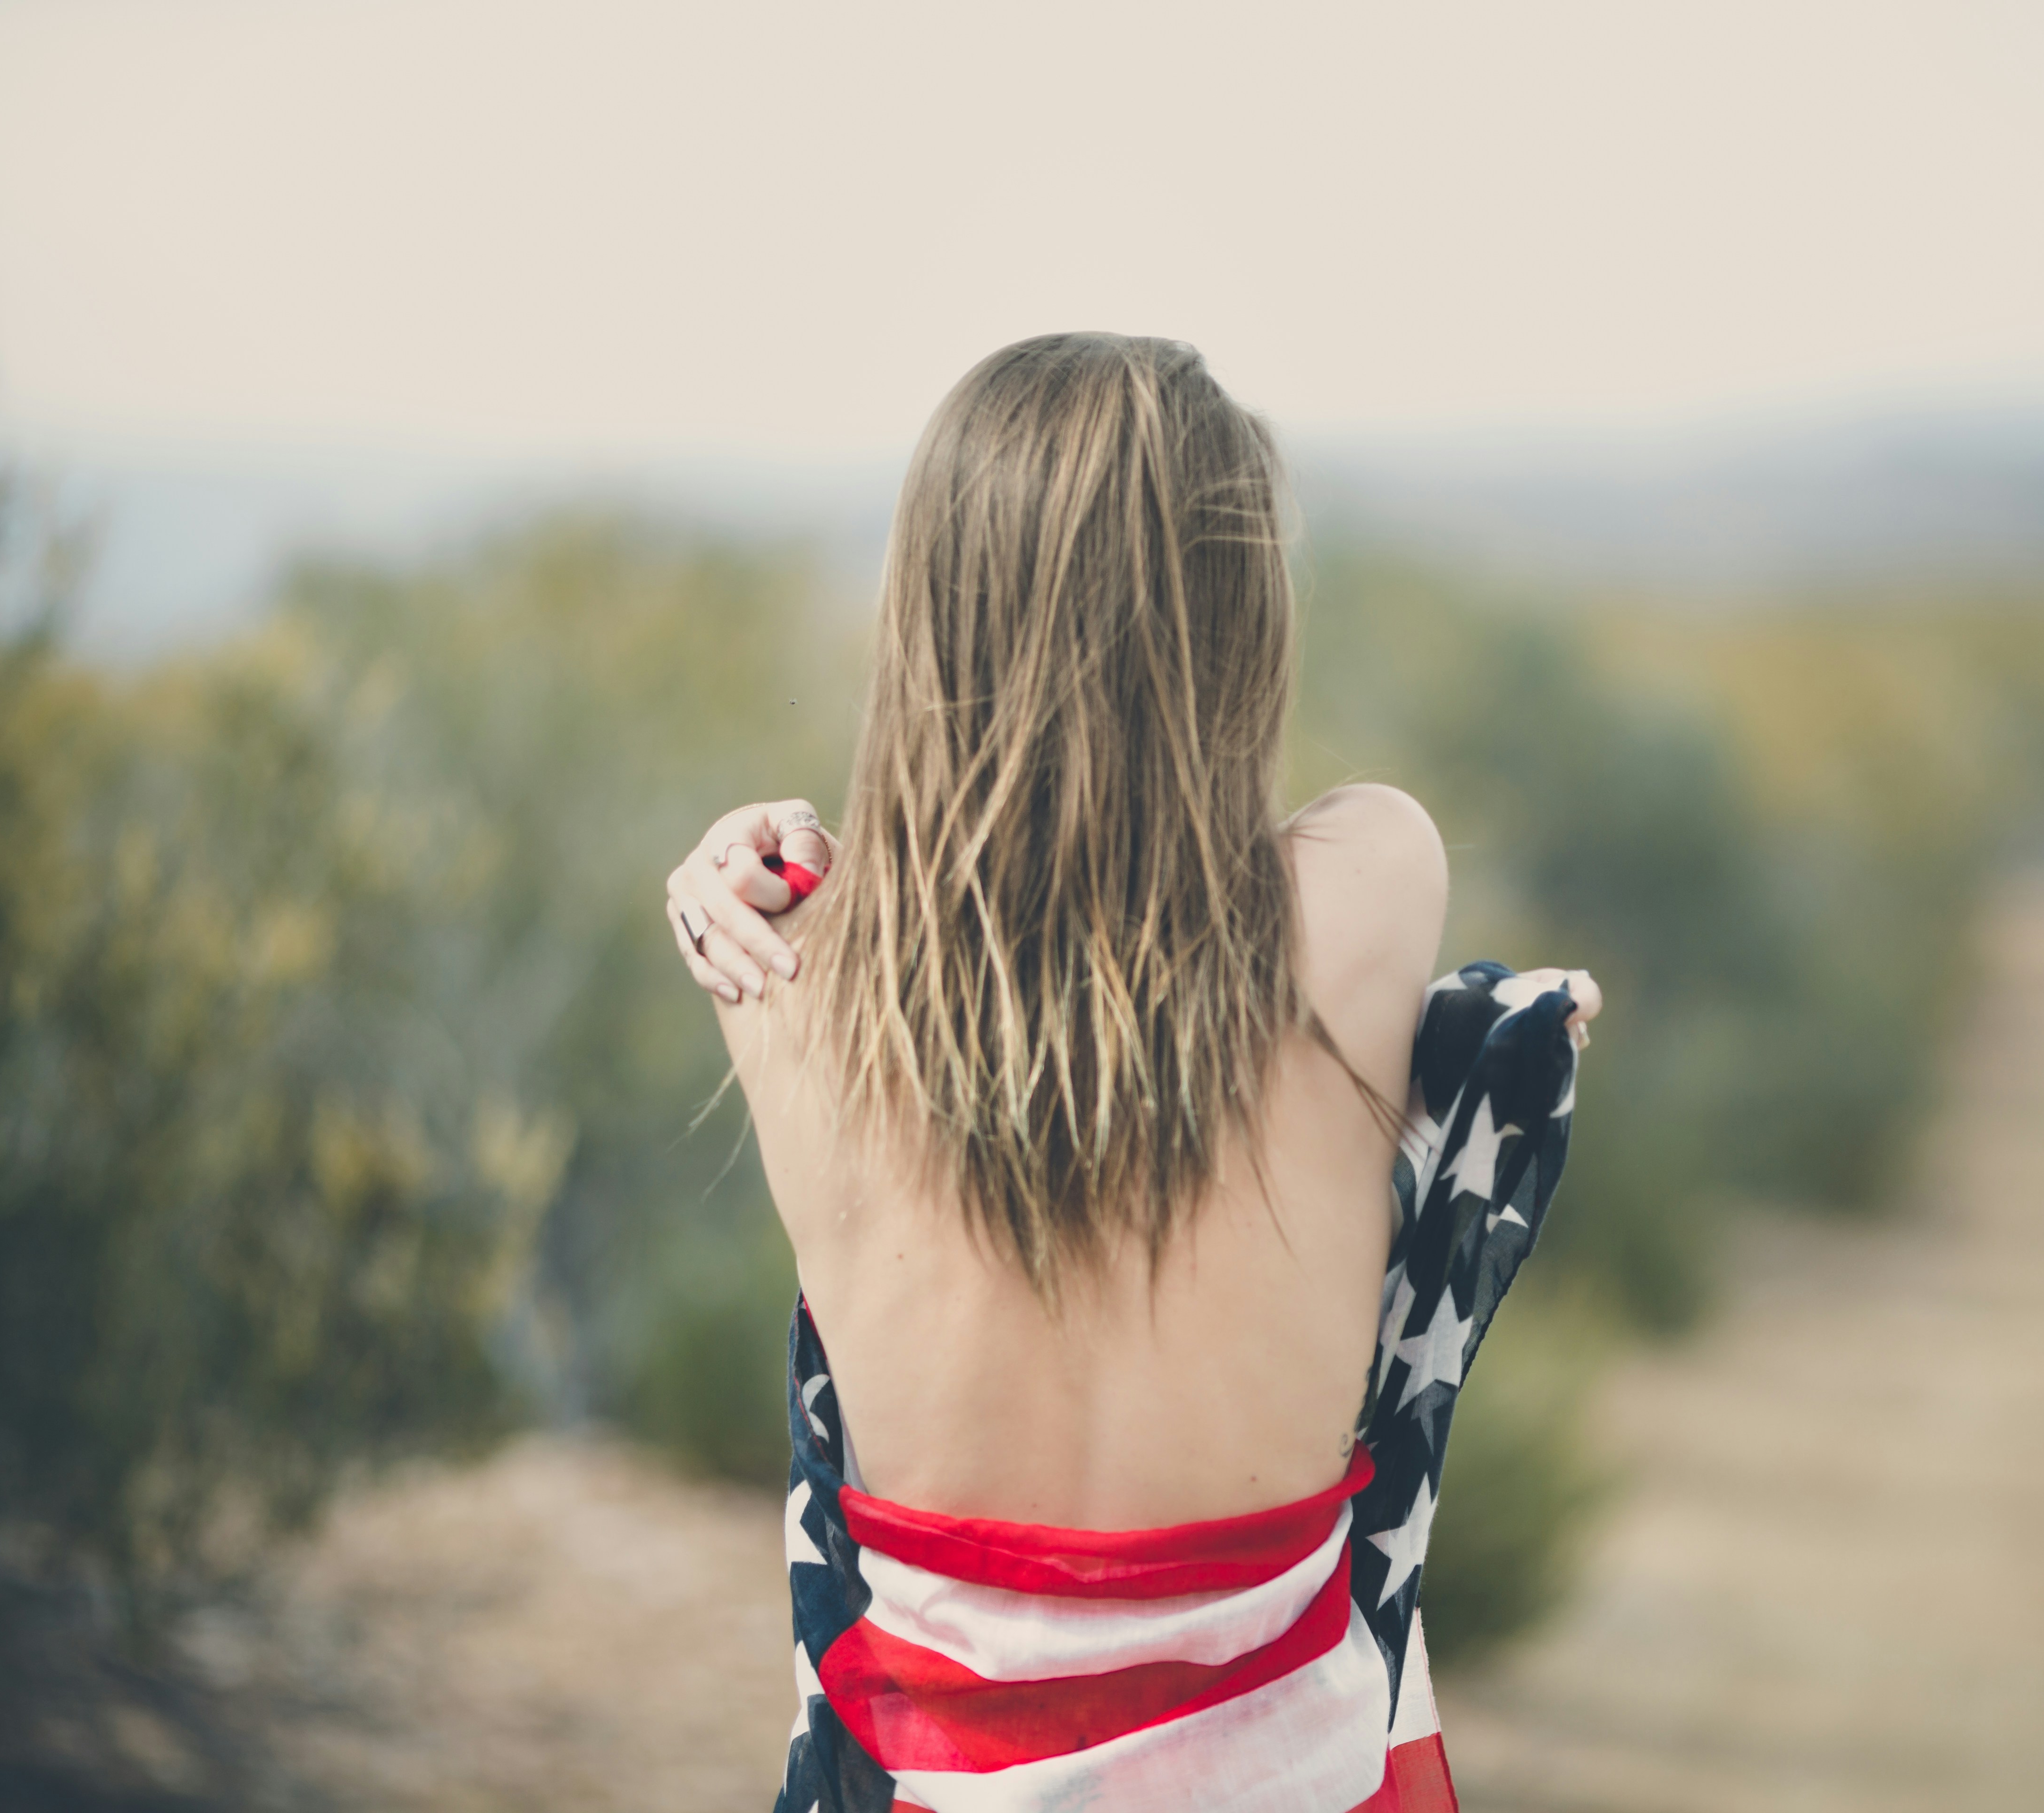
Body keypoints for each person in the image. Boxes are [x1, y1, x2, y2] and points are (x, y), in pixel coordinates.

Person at [664, 333, 1598, 1813]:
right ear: (1234, 624)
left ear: (929, 615)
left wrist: (758, 852)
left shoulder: (781, 984)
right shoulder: (1362, 892)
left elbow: (859, 896)